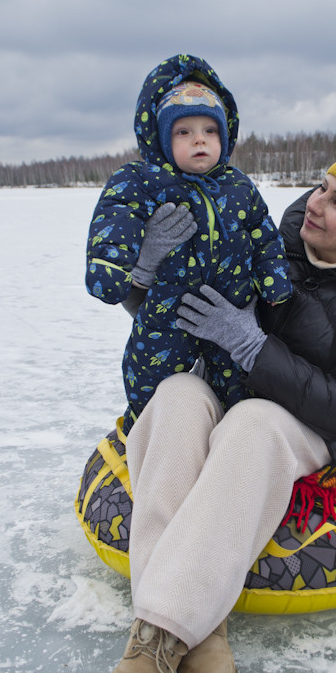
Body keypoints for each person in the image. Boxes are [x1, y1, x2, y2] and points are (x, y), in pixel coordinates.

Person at [86, 145, 336, 673]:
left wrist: (254, 348)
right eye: (321, 188)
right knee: (176, 394)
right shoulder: (260, 241)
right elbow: (173, 311)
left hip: (307, 426)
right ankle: (204, 623)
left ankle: (154, 642)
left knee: (253, 424)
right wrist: (143, 274)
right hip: (229, 388)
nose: (315, 204)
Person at [85, 54, 291, 434]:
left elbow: (264, 233)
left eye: (209, 131)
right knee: (155, 378)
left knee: (239, 386)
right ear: (163, 139)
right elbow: (117, 214)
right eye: (184, 132)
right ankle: (147, 434)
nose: (199, 139)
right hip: (169, 309)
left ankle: (232, 442)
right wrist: (115, 267)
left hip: (233, 308)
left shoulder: (239, 185)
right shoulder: (144, 180)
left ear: (224, 136)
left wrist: (274, 279)